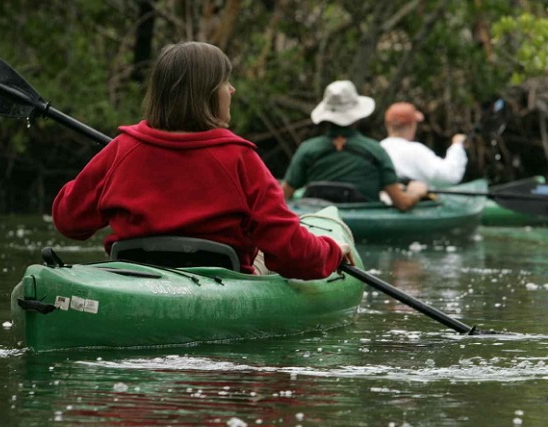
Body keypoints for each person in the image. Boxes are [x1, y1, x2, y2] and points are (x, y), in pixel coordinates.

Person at [51, 41, 352, 280]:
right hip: (223, 283)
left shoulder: (122, 149)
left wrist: (103, 170)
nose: (232, 90)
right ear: (207, 95)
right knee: (264, 254)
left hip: (135, 278)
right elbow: (293, 254)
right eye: (225, 83)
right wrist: (332, 252)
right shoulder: (240, 159)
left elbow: (69, 221)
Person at [280, 81, 427, 211]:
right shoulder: (376, 150)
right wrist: (416, 191)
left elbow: (282, 198)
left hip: (317, 221)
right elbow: (402, 203)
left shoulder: (307, 149)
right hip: (366, 223)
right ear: (357, 116)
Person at [380, 102, 467, 187]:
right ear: (411, 125)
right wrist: (457, 146)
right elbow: (449, 176)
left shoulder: (378, 148)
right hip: (412, 200)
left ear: (387, 125)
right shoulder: (415, 151)